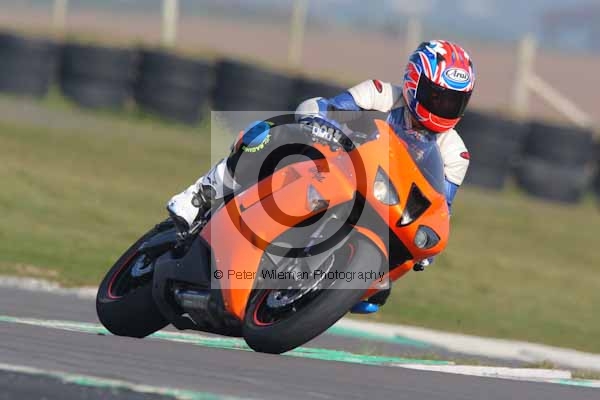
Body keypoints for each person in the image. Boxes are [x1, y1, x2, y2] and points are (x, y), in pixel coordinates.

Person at [167, 40, 475, 313]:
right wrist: (323, 122)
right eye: (437, 97)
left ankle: (340, 286)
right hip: (336, 166)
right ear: (413, 82)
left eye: (453, 101)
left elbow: (440, 206)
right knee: (271, 134)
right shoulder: (379, 94)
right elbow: (330, 109)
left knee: (393, 273)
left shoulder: (455, 153)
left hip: (384, 203)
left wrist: (427, 247)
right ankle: (201, 194)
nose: (444, 107)